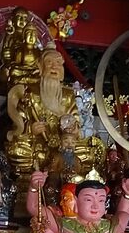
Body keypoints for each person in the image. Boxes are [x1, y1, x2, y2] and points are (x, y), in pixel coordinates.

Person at [6, 44, 79, 178]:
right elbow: (19, 122)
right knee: (17, 150)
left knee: (87, 152)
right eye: (49, 62)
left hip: (65, 145)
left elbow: (75, 119)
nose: (54, 67)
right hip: (38, 146)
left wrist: (74, 129)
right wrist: (30, 130)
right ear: (40, 66)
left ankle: (70, 174)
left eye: (58, 63)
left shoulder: (68, 95)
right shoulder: (30, 92)